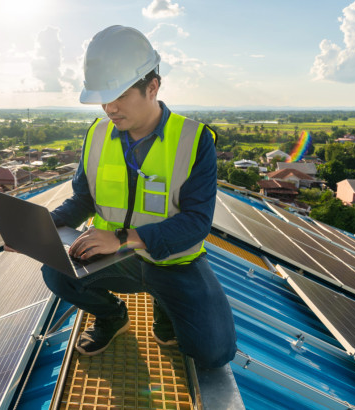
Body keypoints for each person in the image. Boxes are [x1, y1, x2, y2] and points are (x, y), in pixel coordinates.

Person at [38, 25, 236, 368]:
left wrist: (124, 239)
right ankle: (113, 317)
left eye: (119, 96)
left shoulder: (194, 140)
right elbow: (82, 200)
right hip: (115, 260)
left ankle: (165, 307)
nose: (109, 109)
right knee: (55, 273)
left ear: (152, 87)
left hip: (174, 263)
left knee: (215, 353)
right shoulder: (97, 136)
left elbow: (197, 222)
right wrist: (41, 226)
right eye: (104, 98)